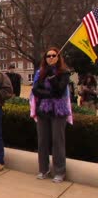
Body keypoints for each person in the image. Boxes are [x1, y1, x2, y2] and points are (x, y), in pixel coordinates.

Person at [31, 47, 72, 183]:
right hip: (43, 110)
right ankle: (43, 169)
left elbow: (60, 91)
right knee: (42, 141)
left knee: (57, 141)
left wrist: (53, 78)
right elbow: (36, 90)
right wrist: (49, 94)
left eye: (54, 55)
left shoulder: (64, 73)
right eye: (48, 56)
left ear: (58, 57)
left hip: (59, 111)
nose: (51, 58)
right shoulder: (40, 72)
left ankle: (60, 172)